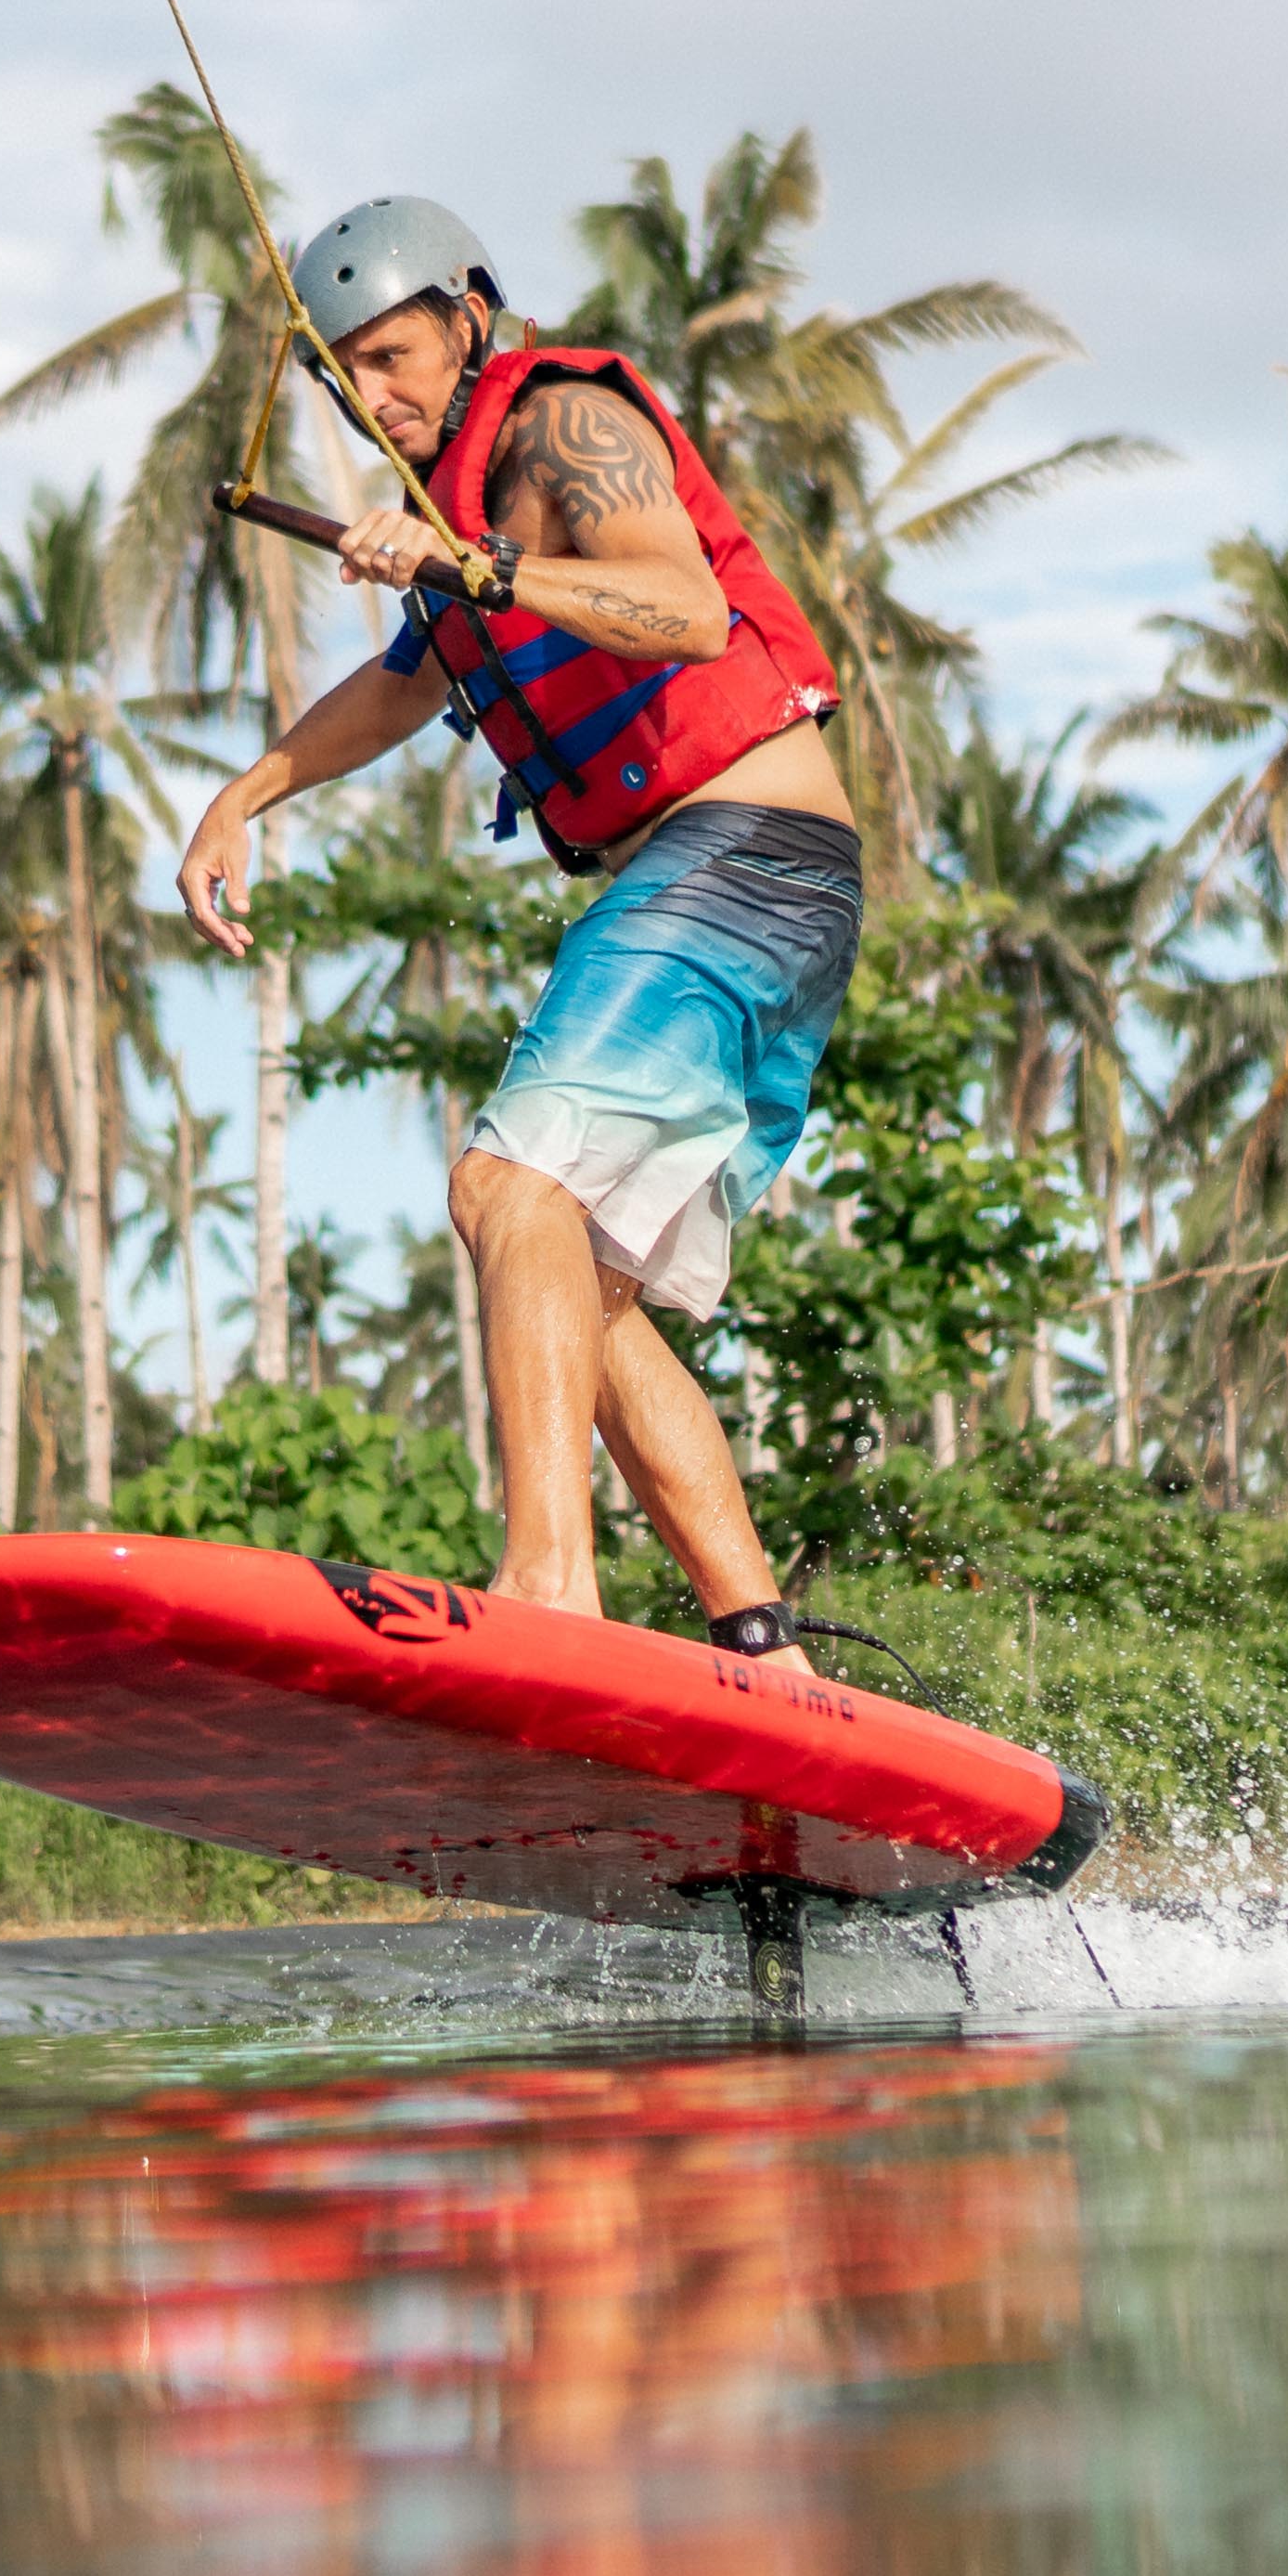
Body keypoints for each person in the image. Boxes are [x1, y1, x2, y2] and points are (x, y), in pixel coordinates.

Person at [174, 193, 864, 1651]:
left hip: (737, 848)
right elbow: (407, 686)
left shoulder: (554, 421)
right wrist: (249, 792)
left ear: (469, 322)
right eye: (347, 373)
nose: (378, 395)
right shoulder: (457, 512)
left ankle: (550, 1585)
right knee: (588, 1292)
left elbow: (682, 614)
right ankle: (767, 1648)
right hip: (769, 886)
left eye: (398, 356)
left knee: (505, 1196)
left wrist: (472, 567)